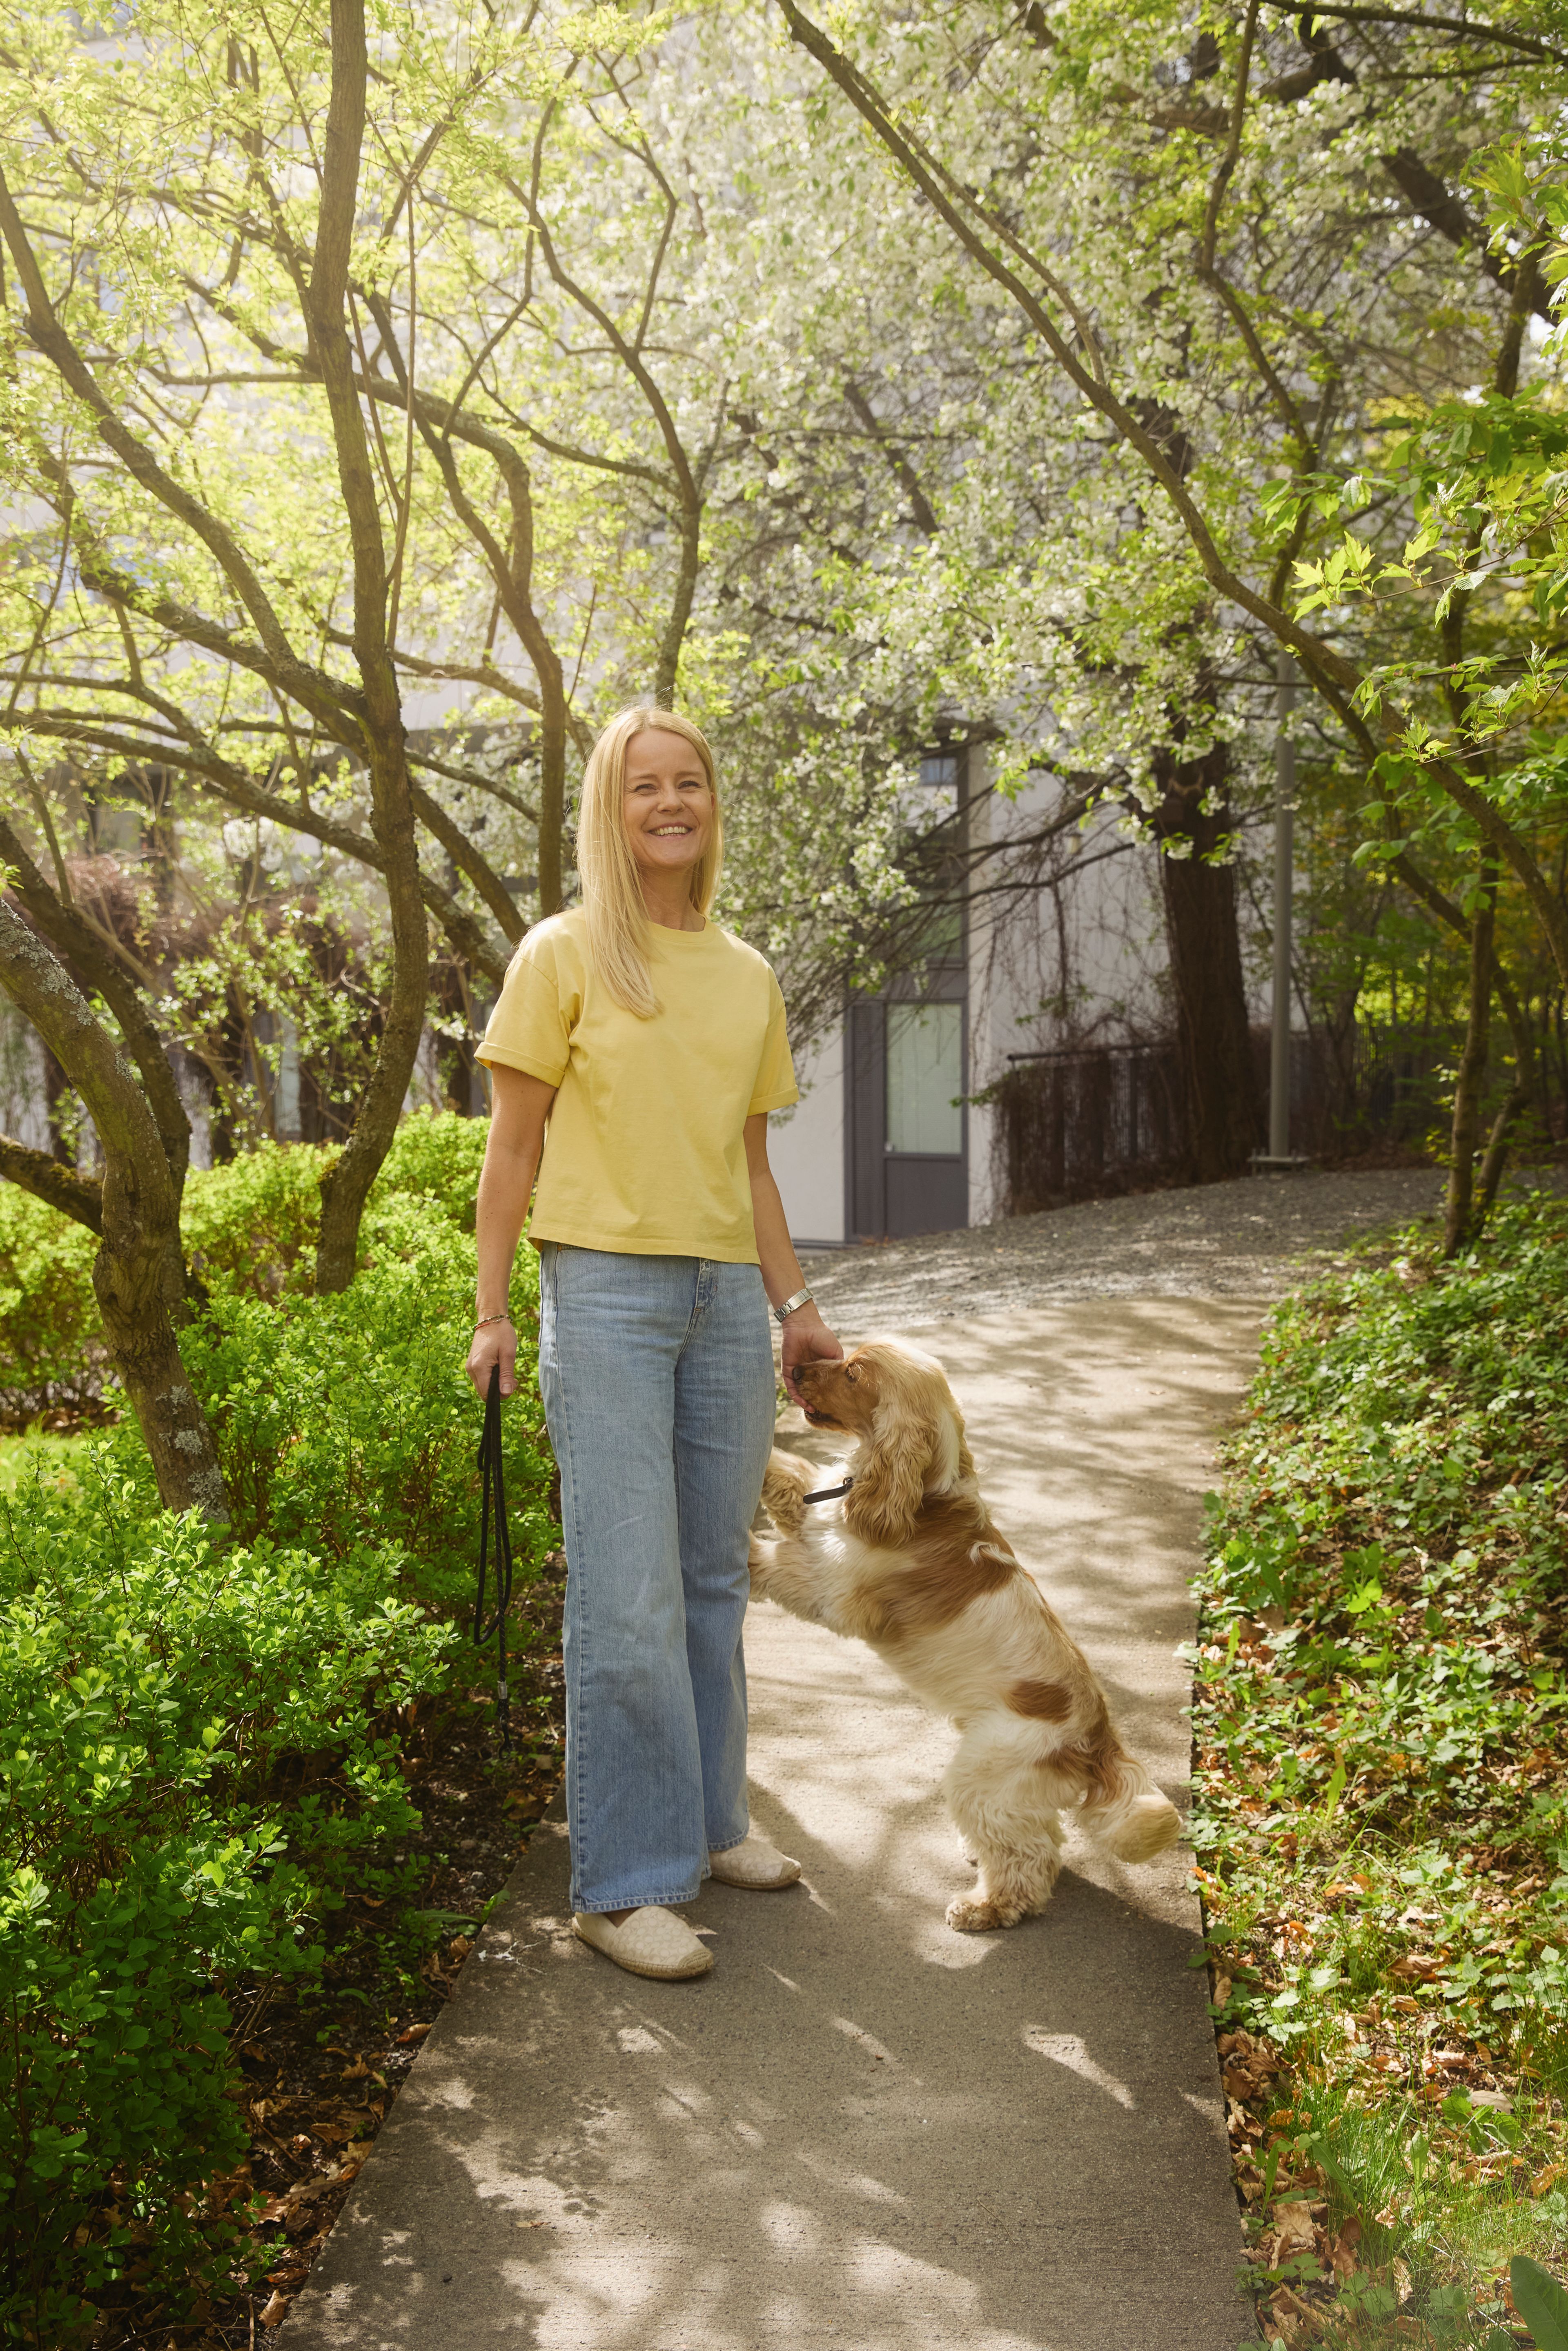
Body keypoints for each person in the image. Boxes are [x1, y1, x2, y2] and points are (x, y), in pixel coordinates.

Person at [466, 706, 843, 1982]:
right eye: (645, 787)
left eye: (689, 783)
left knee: (712, 1581)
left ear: (709, 804)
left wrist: (797, 1309)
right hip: (607, 1296)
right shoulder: (563, 955)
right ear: (608, 811)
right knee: (624, 1596)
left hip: (727, 1302)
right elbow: (509, 1151)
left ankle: (712, 1823)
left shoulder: (746, 975)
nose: (670, 803)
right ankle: (623, 1884)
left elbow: (750, 1164)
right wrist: (491, 1311)